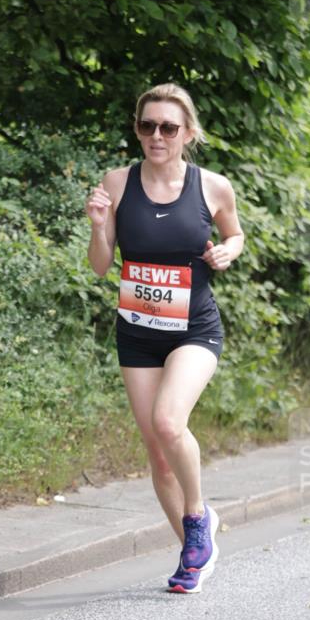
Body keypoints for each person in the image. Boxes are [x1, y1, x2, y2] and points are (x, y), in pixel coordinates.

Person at [85, 83, 244, 593]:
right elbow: (101, 265)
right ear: (137, 129)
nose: (157, 135)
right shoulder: (116, 181)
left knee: (169, 422)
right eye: (147, 126)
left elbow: (235, 233)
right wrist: (97, 226)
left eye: (168, 127)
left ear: (188, 133)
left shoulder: (213, 186)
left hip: (195, 328)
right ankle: (192, 558)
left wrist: (227, 252)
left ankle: (198, 519)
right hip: (137, 332)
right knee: (156, 452)